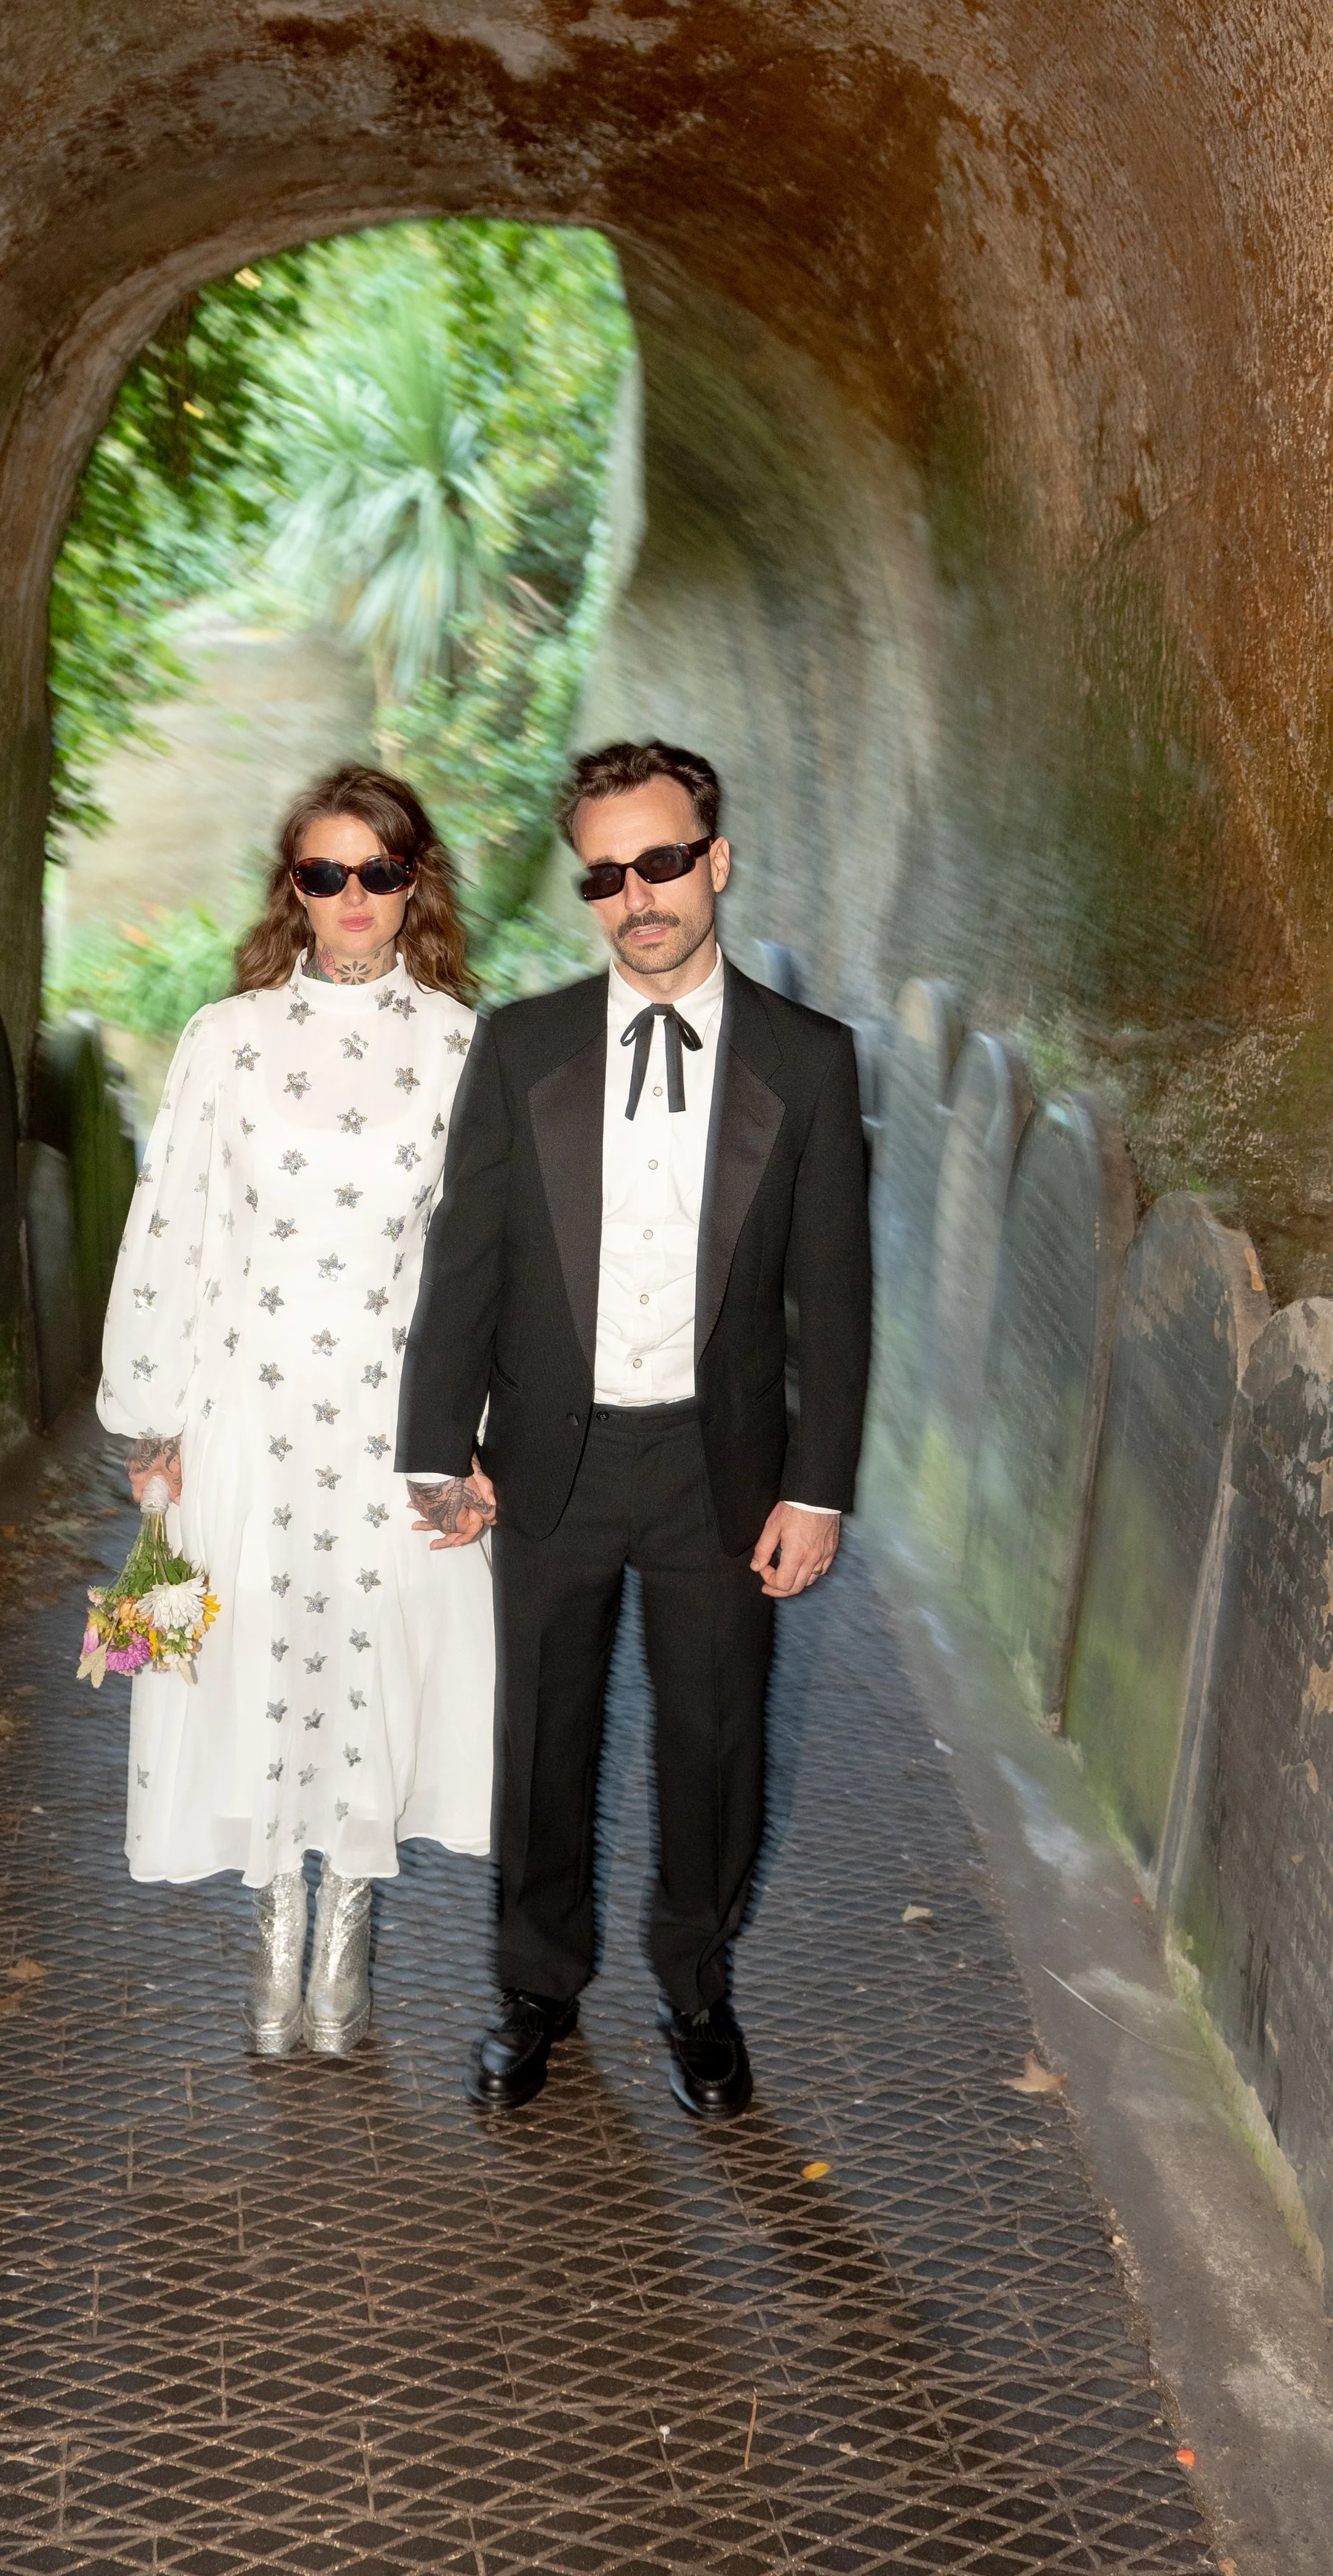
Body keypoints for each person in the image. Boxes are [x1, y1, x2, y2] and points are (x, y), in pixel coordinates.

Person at [398, 739, 870, 2116]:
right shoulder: (524, 1044)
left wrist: (819, 1487)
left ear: (714, 861)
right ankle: (534, 1986)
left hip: (721, 1470)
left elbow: (831, 1302)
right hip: (553, 1455)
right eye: (606, 875)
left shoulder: (810, 1061)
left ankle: (696, 1987)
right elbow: (465, 1260)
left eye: (662, 862)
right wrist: (440, 1448)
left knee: (715, 1741)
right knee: (541, 1739)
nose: (637, 896)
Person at [97, 765, 495, 2058]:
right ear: (295, 888)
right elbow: (174, 1227)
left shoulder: (460, 1046)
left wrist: (476, 1436)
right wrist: (153, 1416)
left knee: (373, 1653)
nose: (355, 899)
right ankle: (276, 1939)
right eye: (327, 874)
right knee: (264, 1651)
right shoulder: (229, 1039)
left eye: (380, 873)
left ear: (414, 882)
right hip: (247, 1407)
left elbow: (486, 1257)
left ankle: (351, 1936)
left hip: (396, 1409)